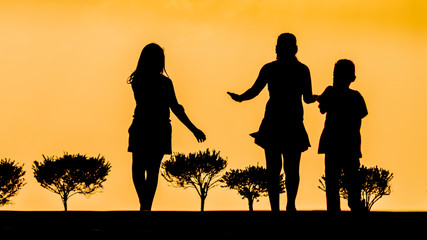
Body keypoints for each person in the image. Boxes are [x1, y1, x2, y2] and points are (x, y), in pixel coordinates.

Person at [228, 33, 317, 212]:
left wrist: (241, 98)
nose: (278, 49)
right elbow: (307, 98)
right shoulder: (301, 70)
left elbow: (254, 91)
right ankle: (289, 206)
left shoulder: (271, 69)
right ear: (295, 49)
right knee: (289, 169)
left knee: (275, 169)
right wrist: (317, 98)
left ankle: (278, 208)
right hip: (288, 123)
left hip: (276, 122)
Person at [128, 43, 206, 211]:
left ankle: (145, 206)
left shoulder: (159, 82)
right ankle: (145, 204)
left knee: (146, 168)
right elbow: (174, 107)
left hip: (154, 127)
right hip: (147, 126)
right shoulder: (141, 80)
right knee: (141, 169)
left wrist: (194, 129)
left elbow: (175, 107)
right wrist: (194, 129)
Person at [317, 59, 368, 213]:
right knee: (352, 178)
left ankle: (336, 209)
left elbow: (322, 109)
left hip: (333, 143)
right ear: (353, 78)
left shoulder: (330, 92)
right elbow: (362, 114)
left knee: (333, 179)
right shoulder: (355, 96)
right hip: (350, 143)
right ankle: (354, 206)